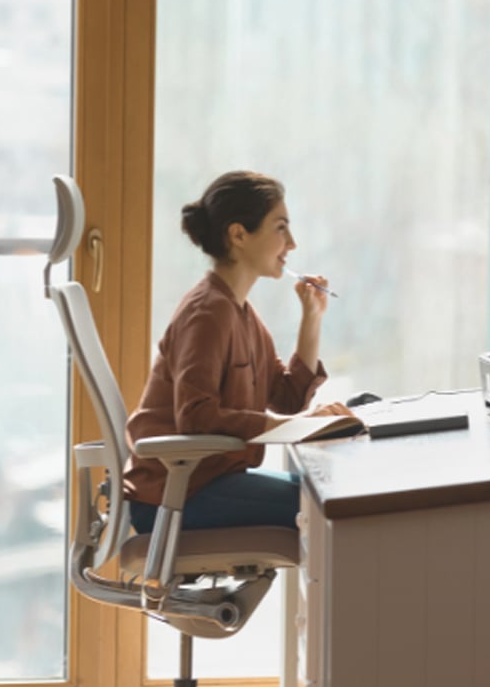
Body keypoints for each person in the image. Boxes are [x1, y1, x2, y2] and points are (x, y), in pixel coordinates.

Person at [124, 169, 350, 534]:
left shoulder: (239, 310)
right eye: (280, 228)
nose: (291, 243)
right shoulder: (207, 313)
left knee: (326, 494)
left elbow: (287, 398)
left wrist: (312, 318)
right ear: (239, 235)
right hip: (175, 496)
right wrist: (299, 425)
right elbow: (197, 418)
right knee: (327, 505)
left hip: (206, 485)